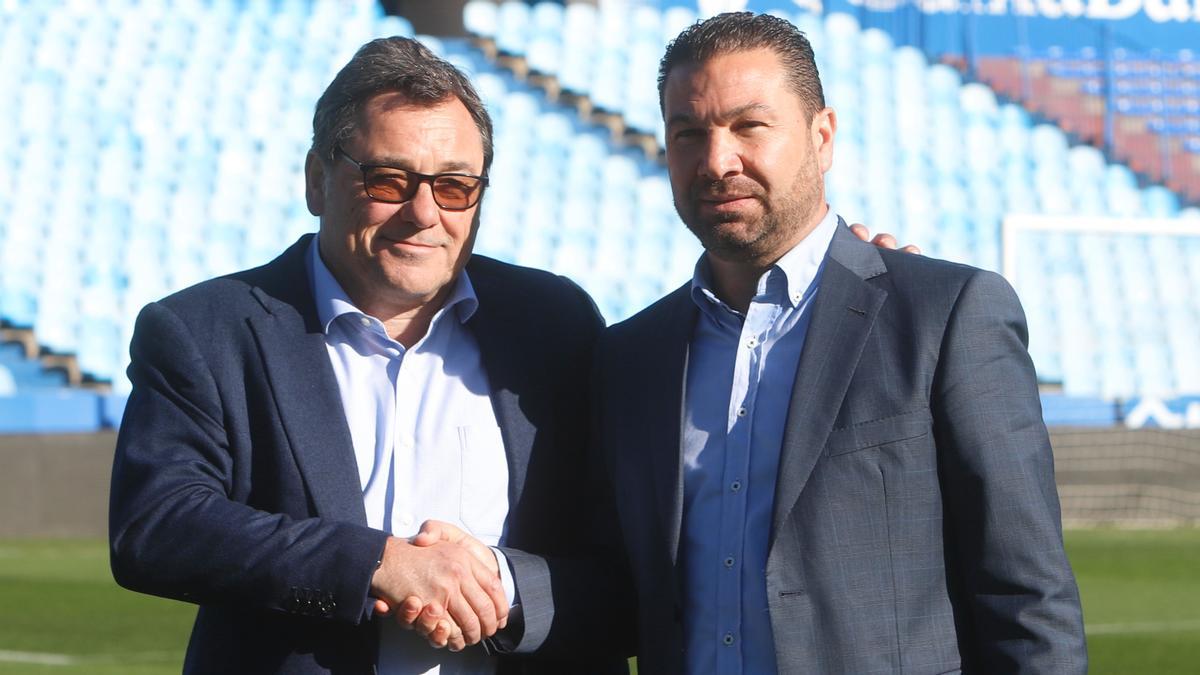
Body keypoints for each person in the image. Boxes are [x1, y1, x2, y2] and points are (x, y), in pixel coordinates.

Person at [586, 12, 1087, 674]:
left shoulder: (945, 316)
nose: (716, 159)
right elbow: (618, 593)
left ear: (822, 137)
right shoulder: (632, 358)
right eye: (688, 133)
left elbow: (1029, 600)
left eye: (748, 126)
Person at [108, 36, 627, 674]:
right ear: (317, 181)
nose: (423, 212)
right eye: (388, 179)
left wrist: (503, 585)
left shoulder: (556, 324)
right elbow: (158, 526)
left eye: (455, 187)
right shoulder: (205, 328)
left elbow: (625, 556)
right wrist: (379, 565)